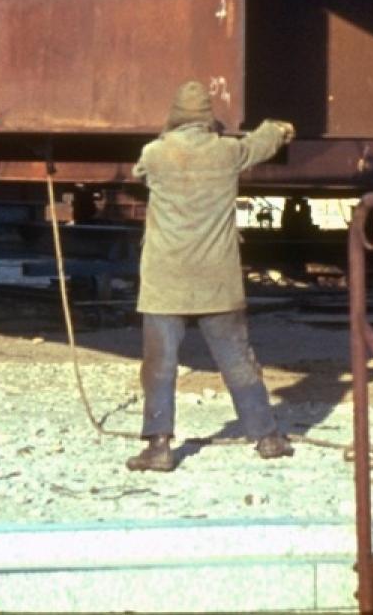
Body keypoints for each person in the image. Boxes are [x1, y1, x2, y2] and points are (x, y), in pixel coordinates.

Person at [126, 80, 296, 473]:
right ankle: (267, 438)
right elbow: (261, 143)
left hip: (165, 281)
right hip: (216, 281)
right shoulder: (227, 152)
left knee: (159, 364)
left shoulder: (155, 154)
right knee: (238, 360)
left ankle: (159, 446)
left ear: (175, 115)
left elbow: (139, 172)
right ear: (206, 119)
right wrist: (279, 127)